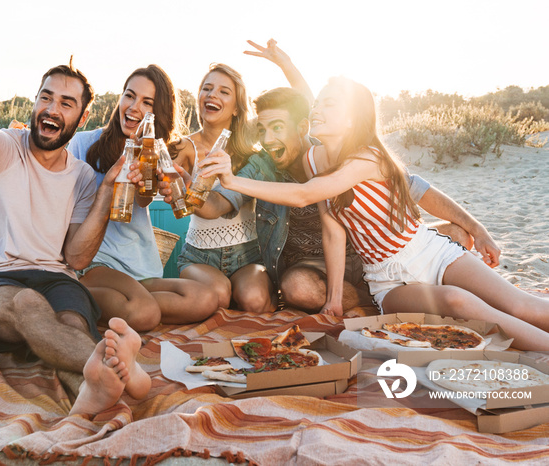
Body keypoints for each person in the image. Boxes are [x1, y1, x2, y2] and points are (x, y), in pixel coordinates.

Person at [199, 76, 549, 351]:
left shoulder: (367, 158)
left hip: (427, 251)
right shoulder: (312, 160)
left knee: (522, 307)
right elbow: (332, 229)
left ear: (353, 117)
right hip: (384, 277)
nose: (317, 108)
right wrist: (333, 302)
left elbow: (305, 195)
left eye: (329, 103)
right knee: (457, 302)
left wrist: (231, 179)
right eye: (317, 102)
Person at [0, 60, 151, 415]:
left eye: (66, 103)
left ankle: (94, 396)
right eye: (46, 97)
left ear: (82, 115)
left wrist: (106, 191)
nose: (52, 109)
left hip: (55, 277)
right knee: (28, 303)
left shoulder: (84, 178)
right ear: (34, 102)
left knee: (72, 322)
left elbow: (76, 259)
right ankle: (123, 370)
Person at [66, 65, 219, 329]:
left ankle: (124, 302)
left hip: (138, 263)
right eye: (129, 95)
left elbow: (142, 200)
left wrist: (169, 187)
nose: (134, 107)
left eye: (147, 102)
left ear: (156, 114)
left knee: (204, 298)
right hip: (96, 264)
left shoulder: (155, 154)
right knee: (144, 313)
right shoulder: (82, 144)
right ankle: (68, 295)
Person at [168, 63, 274, 313]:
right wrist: (176, 192)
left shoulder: (252, 153)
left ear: (237, 107)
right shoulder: (183, 147)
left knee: (255, 299)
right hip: (198, 256)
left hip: (248, 256)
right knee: (218, 295)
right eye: (207, 88)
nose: (213, 94)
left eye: (224, 91)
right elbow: (175, 200)